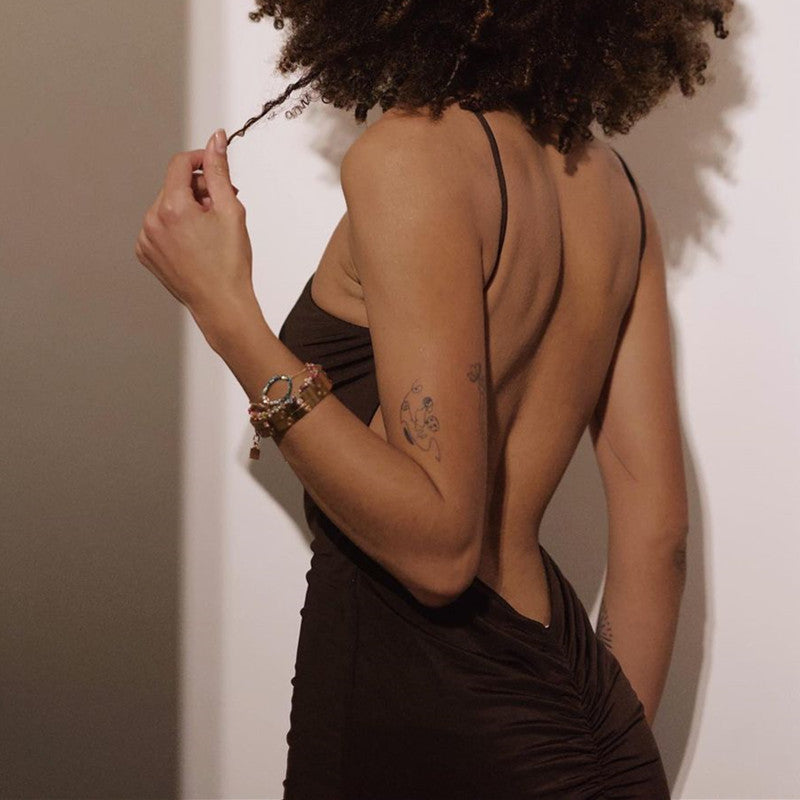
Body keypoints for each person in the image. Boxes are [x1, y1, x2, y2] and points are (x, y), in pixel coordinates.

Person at [135, 1, 734, 796]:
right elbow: (659, 537)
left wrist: (225, 311)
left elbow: (441, 553)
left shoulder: (411, 158)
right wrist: (588, 748)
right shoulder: (617, 193)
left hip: (423, 721)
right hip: (594, 730)